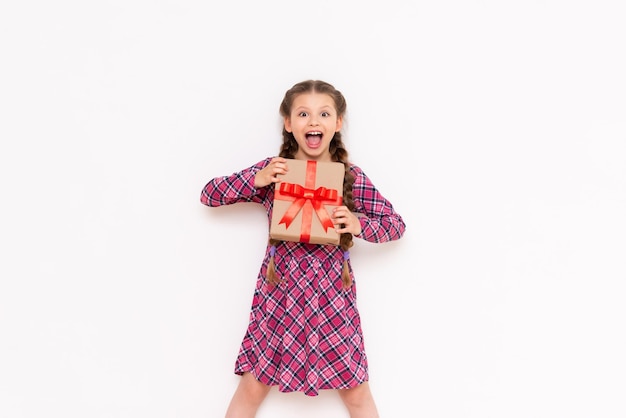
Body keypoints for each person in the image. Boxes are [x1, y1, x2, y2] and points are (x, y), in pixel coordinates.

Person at [200, 79, 406, 418]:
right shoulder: (275, 171)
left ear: (337, 123)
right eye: (303, 113)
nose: (313, 121)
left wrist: (357, 224)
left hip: (332, 300)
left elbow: (395, 225)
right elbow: (209, 195)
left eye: (324, 113)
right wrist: (257, 179)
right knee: (252, 387)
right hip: (279, 297)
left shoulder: (349, 176)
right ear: (288, 123)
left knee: (356, 393)